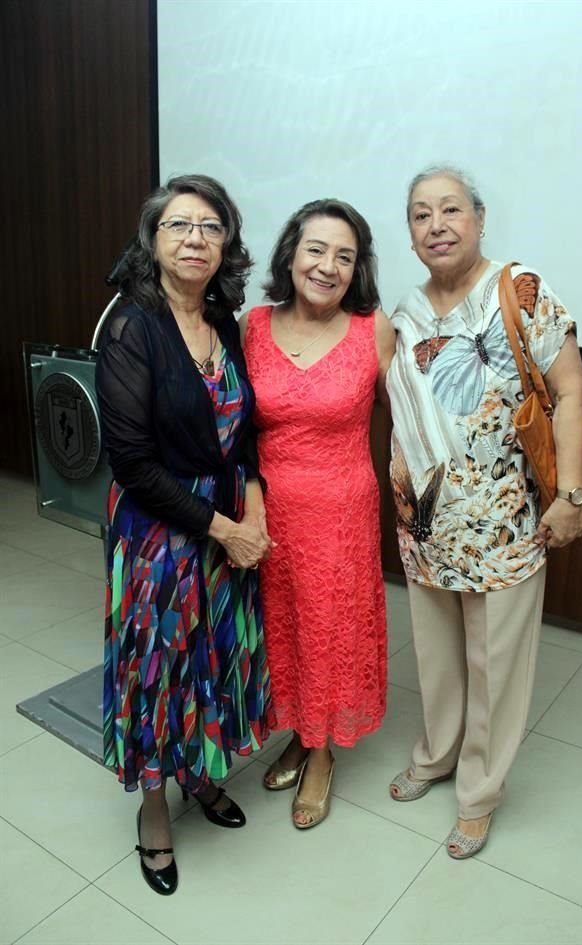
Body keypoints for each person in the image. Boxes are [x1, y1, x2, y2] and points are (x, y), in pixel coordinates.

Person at [386, 165, 582, 858]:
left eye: (450, 210)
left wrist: (571, 497)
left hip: (503, 523)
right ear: (410, 233)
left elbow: (569, 388)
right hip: (424, 524)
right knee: (438, 659)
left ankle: (479, 792)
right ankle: (438, 752)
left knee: (495, 665)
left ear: (477, 220)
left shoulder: (517, 288)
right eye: (420, 214)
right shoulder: (404, 312)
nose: (436, 224)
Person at [96, 174, 275, 895]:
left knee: (210, 656)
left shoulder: (225, 319)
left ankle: (200, 774)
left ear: (225, 244)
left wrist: (253, 502)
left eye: (210, 226)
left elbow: (242, 432)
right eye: (179, 226)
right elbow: (132, 462)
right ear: (154, 241)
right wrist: (224, 528)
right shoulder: (130, 325)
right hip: (159, 532)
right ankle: (152, 812)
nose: (195, 238)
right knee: (157, 669)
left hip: (227, 518)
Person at [241, 199, 395, 829]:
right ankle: (300, 734)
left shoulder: (373, 329)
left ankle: (323, 753)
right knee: (283, 626)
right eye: (316, 249)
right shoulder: (251, 325)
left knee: (329, 627)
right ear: (291, 253)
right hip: (267, 511)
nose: (328, 266)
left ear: (357, 269)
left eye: (345, 256)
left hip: (341, 510)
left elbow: (411, 421)